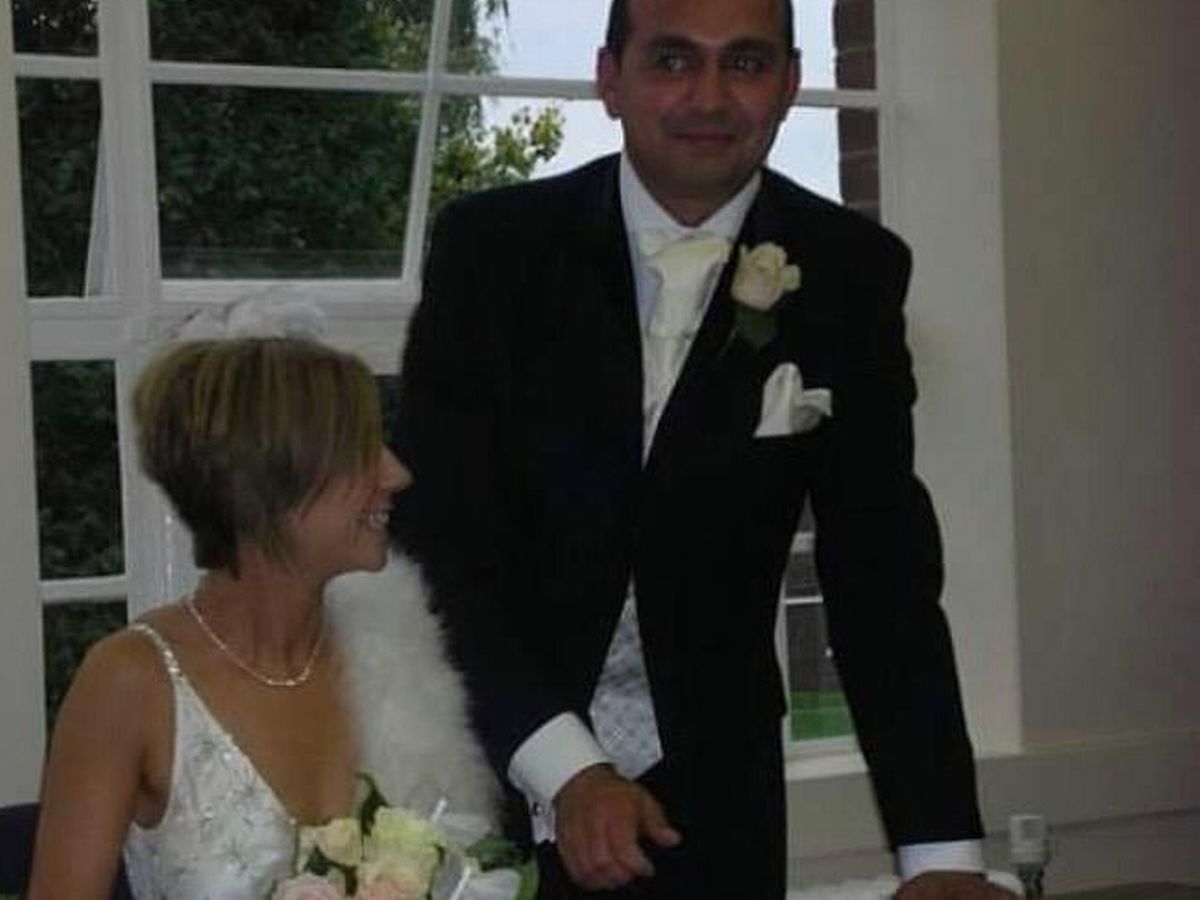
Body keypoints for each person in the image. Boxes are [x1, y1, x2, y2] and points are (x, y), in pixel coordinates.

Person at [394, 0, 1013, 898]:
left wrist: (942, 858)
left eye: (747, 64)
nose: (711, 97)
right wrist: (567, 766)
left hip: (717, 815)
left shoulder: (849, 272)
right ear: (610, 78)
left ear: (790, 84)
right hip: (492, 779)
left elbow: (883, 582)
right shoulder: (493, 251)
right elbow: (437, 547)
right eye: (674, 61)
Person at [28, 334, 500, 899]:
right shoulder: (129, 681)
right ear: (269, 488)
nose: (396, 474)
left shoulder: (396, 658)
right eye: (360, 453)